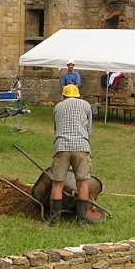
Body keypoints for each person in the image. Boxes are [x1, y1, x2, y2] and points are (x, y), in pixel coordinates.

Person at [49, 83, 95, 226]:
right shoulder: (86, 105)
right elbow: (89, 129)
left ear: (64, 95)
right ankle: (81, 221)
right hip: (81, 146)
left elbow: (56, 128)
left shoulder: (58, 107)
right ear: (78, 95)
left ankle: (54, 220)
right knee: (82, 184)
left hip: (62, 146)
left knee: (57, 184)